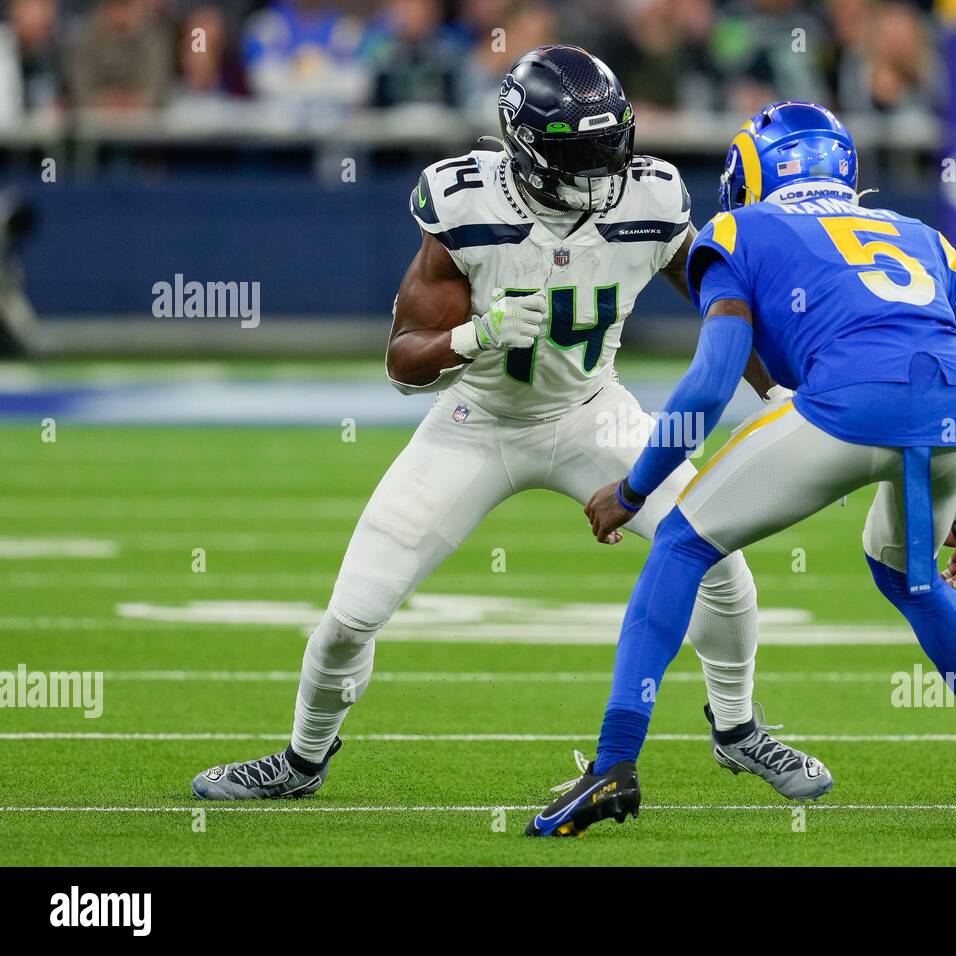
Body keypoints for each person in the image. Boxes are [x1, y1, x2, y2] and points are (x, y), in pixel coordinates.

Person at [191, 47, 829, 805]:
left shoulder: (649, 198)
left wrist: (791, 389)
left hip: (593, 412)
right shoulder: (467, 204)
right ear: (522, 151)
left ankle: (737, 729)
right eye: (577, 158)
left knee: (721, 566)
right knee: (347, 620)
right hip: (477, 420)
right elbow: (401, 363)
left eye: (609, 151)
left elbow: (721, 306)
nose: (601, 177)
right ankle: (301, 759)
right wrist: (476, 336)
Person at [528, 100, 956, 838]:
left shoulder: (738, 229)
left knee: (682, 541)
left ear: (753, 169)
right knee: (913, 577)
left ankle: (614, 765)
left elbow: (714, 382)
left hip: (847, 406)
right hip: (955, 416)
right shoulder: (917, 236)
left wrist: (634, 488)